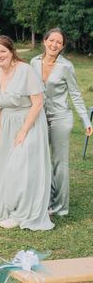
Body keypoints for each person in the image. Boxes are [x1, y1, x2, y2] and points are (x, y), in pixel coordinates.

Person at [0, 36, 54, 231]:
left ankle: (22, 212)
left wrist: (23, 131)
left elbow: (38, 103)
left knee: (21, 166)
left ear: (11, 51)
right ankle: (8, 205)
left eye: (3, 51)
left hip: (29, 121)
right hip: (6, 123)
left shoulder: (25, 70)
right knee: (5, 165)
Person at [30, 28, 93, 216]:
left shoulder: (66, 66)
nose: (54, 44)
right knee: (40, 159)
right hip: (39, 117)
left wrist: (85, 120)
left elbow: (75, 93)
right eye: (51, 40)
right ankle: (45, 201)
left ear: (62, 46)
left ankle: (60, 207)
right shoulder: (33, 62)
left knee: (59, 162)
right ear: (44, 41)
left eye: (59, 42)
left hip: (60, 118)